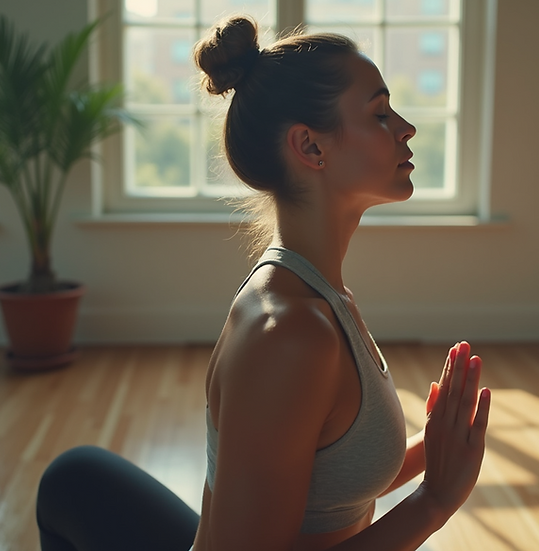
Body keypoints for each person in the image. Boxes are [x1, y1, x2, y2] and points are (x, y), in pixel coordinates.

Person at [36, 15, 492, 551]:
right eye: (379, 113)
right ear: (311, 147)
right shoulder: (290, 335)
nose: (405, 127)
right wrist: (433, 503)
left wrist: (431, 449)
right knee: (74, 478)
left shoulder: (320, 294)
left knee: (74, 476)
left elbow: (320, 483)